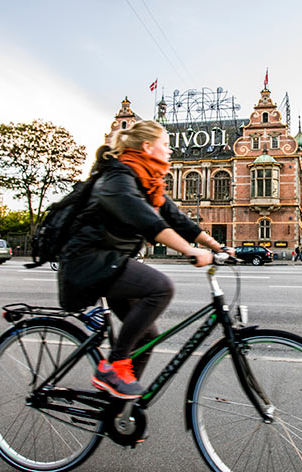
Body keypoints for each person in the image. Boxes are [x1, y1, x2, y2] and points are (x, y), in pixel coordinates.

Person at [58, 120, 233, 399]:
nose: (170, 150)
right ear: (147, 146)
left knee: (147, 336)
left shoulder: (148, 181)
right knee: (161, 287)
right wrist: (190, 251)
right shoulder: (117, 178)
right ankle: (113, 368)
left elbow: (177, 219)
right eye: (165, 144)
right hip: (88, 263)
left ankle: (117, 408)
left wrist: (217, 246)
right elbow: (151, 222)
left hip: (110, 262)